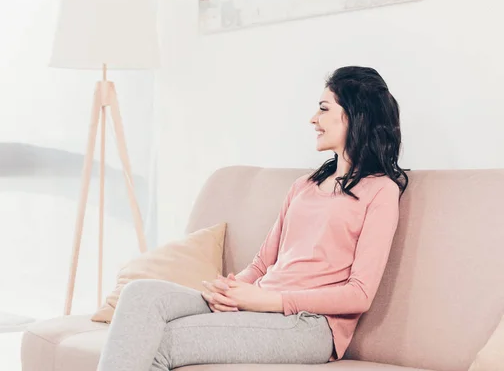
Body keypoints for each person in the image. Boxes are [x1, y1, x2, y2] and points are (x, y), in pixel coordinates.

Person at [96, 66, 409, 370]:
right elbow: (262, 264)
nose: (313, 119)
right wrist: (231, 291)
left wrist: (268, 300)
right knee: (139, 293)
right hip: (259, 303)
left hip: (310, 325)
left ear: (356, 115)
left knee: (164, 341)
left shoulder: (380, 191)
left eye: (324, 109)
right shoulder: (305, 185)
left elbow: (359, 294)